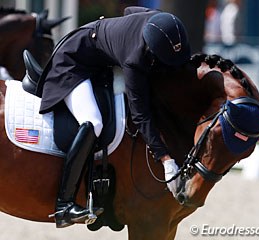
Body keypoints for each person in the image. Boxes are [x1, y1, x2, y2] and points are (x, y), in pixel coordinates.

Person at [38, 6, 190, 228]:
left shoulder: (158, 20)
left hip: (99, 60)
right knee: (93, 122)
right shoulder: (133, 60)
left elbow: (129, 10)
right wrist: (165, 158)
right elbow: (140, 115)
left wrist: (113, 36)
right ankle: (64, 205)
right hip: (73, 62)